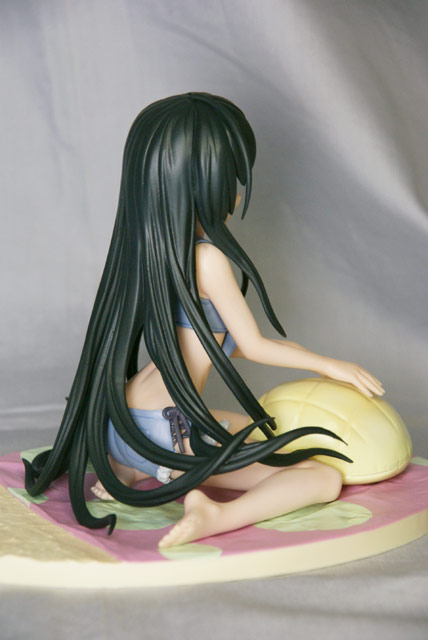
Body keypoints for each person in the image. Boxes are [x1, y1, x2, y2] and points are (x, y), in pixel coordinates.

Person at [24, 93, 384, 547]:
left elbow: (231, 342)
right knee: (321, 476)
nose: (237, 193)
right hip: (167, 429)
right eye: (229, 178)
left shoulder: (151, 251)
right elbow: (253, 345)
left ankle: (128, 468)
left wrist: (317, 361)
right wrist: (327, 364)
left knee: (265, 429)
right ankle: (215, 513)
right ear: (201, 186)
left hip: (122, 419)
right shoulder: (209, 259)